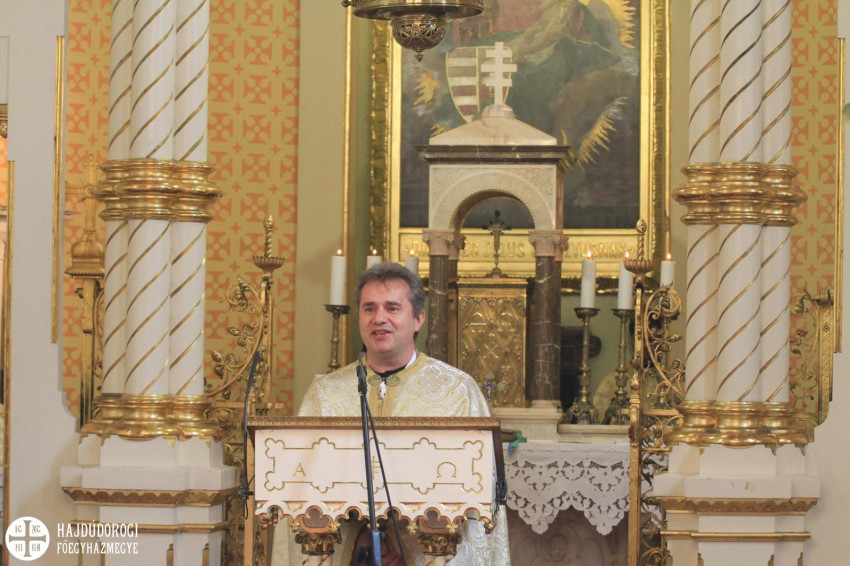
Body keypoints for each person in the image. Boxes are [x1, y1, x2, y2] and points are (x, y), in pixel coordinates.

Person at [271, 262, 511, 566]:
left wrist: (401, 543)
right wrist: (361, 539)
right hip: (346, 552)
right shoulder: (326, 393)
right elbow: (303, 488)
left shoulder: (457, 391)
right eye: (369, 308)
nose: (379, 318)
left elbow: (477, 496)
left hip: (431, 551)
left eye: (392, 308)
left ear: (418, 319)